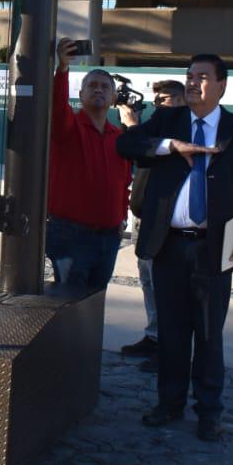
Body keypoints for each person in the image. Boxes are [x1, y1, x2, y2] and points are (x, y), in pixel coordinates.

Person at [117, 54, 233, 442]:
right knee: (171, 332)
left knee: (207, 333)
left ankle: (209, 411)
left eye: (202, 77)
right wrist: (171, 146)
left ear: (221, 85)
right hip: (169, 245)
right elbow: (127, 144)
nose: (193, 82)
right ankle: (169, 404)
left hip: (215, 248)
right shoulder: (167, 121)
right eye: (189, 76)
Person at [46, 39, 137, 295]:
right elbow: (56, 106)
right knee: (68, 305)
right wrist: (62, 68)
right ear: (81, 94)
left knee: (94, 305)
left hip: (108, 240)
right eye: (92, 85)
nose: (99, 90)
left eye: (105, 87)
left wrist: (120, 219)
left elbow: (123, 182)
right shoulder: (68, 129)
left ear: (113, 97)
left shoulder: (119, 138)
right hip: (70, 237)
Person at [121, 79, 186, 370]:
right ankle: (155, 334)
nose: (159, 105)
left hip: (164, 221)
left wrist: (134, 127)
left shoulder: (181, 132)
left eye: (166, 99)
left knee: (166, 287)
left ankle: (169, 347)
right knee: (148, 281)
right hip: (143, 215)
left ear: (183, 100)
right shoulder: (155, 127)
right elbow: (134, 151)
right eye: (156, 99)